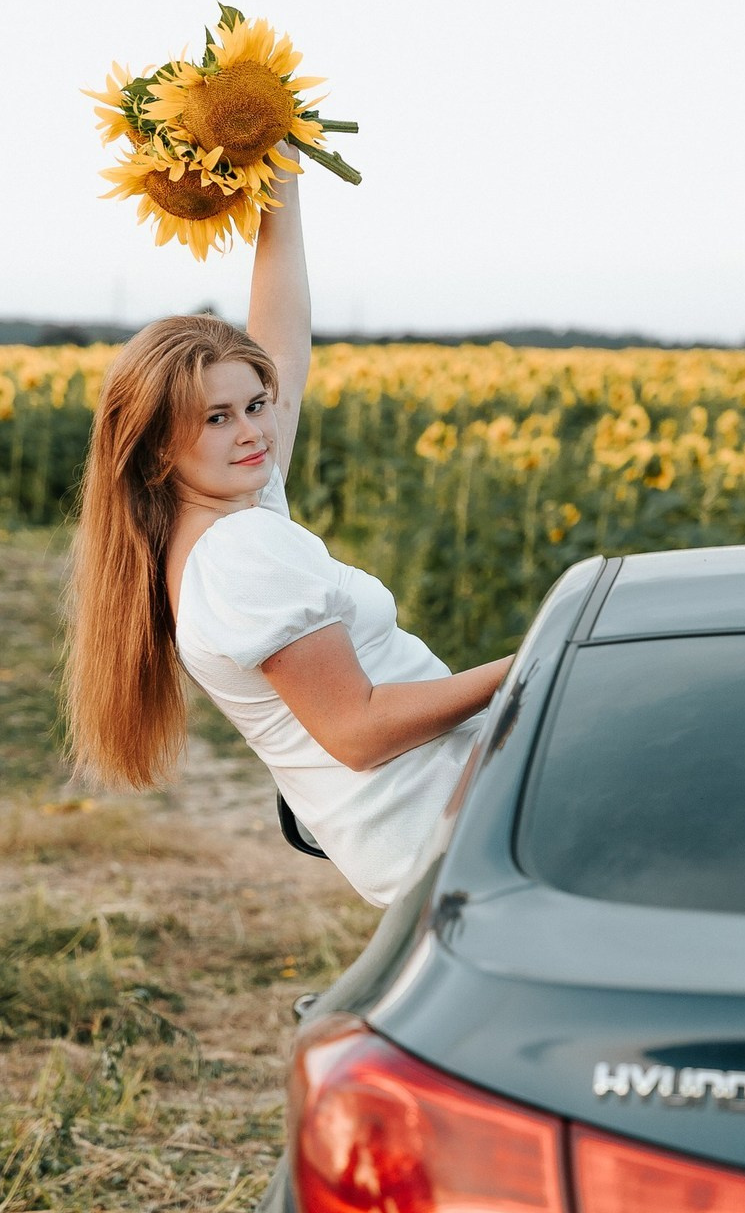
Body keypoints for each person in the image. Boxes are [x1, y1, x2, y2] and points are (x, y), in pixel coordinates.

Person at [64, 144, 514, 908]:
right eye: (215, 417)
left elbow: (283, 340)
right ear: (155, 446)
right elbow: (358, 729)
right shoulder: (239, 552)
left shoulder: (220, 516)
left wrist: (279, 181)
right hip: (450, 828)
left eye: (254, 405)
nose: (252, 432)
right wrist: (533, 668)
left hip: (453, 811)